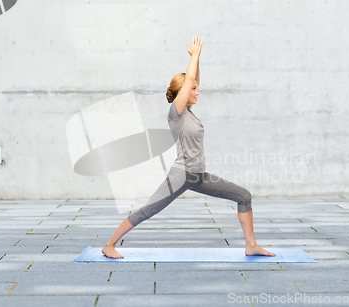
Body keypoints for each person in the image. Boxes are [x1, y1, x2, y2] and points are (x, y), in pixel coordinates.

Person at [102, 36, 275, 258]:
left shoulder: (189, 114)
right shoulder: (177, 114)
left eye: (195, 88)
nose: (197, 92)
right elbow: (190, 79)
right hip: (182, 175)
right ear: (183, 92)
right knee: (148, 210)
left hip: (198, 175)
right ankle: (109, 245)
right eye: (192, 89)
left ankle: (251, 246)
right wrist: (193, 57)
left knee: (243, 196)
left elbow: (194, 79)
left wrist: (198, 59)